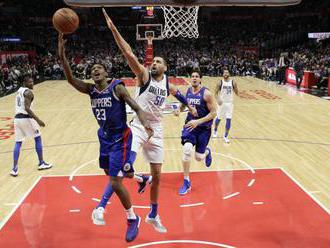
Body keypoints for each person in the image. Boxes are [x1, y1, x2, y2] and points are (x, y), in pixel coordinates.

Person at [102, 8, 197, 233]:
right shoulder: (144, 76)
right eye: (152, 61)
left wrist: (188, 105)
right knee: (125, 167)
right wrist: (114, 29)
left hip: (157, 130)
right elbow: (129, 54)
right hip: (137, 125)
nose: (153, 63)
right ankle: (130, 185)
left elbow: (179, 94)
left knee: (158, 176)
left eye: (158, 62)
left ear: (165, 68)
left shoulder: (167, 84)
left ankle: (153, 215)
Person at [58, 33, 153, 243]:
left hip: (121, 139)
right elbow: (71, 79)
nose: (95, 70)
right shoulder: (91, 90)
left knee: (115, 181)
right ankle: (141, 179)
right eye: (92, 69)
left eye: (99, 68)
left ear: (106, 72)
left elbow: (135, 105)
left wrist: (145, 122)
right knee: (114, 174)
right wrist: (62, 54)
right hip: (104, 138)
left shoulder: (116, 87)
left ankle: (132, 217)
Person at [174, 70, 217, 195]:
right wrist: (178, 109)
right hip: (190, 126)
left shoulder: (207, 94)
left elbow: (214, 113)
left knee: (198, 158)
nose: (194, 78)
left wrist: (198, 122)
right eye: (192, 76)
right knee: (187, 149)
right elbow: (184, 104)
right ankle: (186, 182)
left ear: (200, 79)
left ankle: (207, 152)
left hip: (203, 128)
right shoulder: (188, 91)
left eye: (196, 76)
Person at [10, 76, 52, 177]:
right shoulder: (28, 92)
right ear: (25, 83)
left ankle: (14, 169)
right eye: (30, 82)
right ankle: (41, 163)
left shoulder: (19, 91)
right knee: (38, 138)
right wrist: (38, 120)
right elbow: (27, 108)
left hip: (17, 119)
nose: (32, 83)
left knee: (18, 142)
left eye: (32, 81)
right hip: (26, 118)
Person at [213, 69, 239, 143]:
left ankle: (226, 136)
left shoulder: (233, 82)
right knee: (219, 118)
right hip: (222, 103)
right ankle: (215, 130)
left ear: (229, 74)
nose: (225, 74)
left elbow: (237, 92)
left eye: (227, 72)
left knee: (228, 119)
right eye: (224, 72)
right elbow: (215, 93)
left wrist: (236, 88)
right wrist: (218, 99)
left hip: (230, 103)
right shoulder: (220, 82)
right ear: (222, 74)